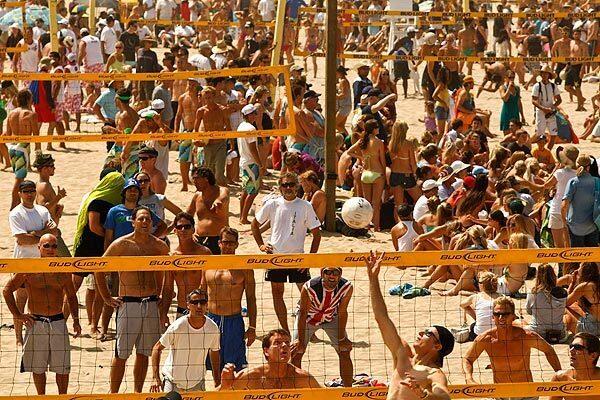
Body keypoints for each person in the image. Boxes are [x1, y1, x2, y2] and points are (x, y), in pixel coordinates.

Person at [95, 206, 171, 393]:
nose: (145, 222)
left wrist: (161, 299)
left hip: (151, 302)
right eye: (141, 219)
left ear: (152, 223)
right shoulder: (121, 244)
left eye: (148, 219)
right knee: (122, 353)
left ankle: (137, 393)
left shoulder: (159, 246)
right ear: (133, 221)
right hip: (129, 303)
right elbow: (99, 269)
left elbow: (163, 275)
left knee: (144, 353)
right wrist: (106, 297)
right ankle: (113, 394)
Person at [366, 251, 452, 400]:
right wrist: (373, 278)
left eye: (427, 333)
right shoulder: (402, 354)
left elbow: (444, 397)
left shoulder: (434, 373)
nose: (420, 333)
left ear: (437, 346)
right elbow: (381, 318)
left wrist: (424, 394)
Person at [2, 234, 81, 394]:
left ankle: (63, 397)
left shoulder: (63, 269)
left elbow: (72, 296)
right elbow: (7, 290)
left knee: (63, 367)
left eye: (53, 246)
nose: (51, 249)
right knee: (38, 367)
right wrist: (18, 315)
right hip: (35, 322)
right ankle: (41, 397)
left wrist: (76, 320)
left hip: (58, 321)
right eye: (46, 246)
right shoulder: (30, 268)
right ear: (39, 247)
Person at [251, 172, 321, 333]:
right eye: (285, 185)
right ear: (280, 187)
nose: (288, 188)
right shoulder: (273, 204)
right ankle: (286, 330)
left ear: (297, 186)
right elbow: (254, 225)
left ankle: (305, 326)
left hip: (298, 258)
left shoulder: (305, 206)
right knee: (277, 294)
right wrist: (261, 245)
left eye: (291, 184)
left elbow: (317, 234)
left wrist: (309, 259)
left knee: (307, 295)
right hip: (276, 257)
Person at [464, 296, 561, 392]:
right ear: (493, 317)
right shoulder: (486, 339)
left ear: (513, 316)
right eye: (497, 314)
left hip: (526, 393)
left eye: (505, 314)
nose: (501, 318)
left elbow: (549, 350)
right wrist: (469, 379)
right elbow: (468, 359)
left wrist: (559, 374)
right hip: (500, 394)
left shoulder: (526, 337)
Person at [71, 171, 125, 338]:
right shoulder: (95, 201)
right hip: (87, 247)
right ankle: (68, 320)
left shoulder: (116, 203)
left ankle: (94, 326)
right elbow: (94, 226)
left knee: (99, 289)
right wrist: (112, 237)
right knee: (72, 289)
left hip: (102, 249)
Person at [202, 227, 257, 372]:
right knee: (210, 364)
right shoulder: (208, 264)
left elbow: (251, 298)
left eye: (231, 243)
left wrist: (252, 327)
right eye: (225, 242)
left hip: (233, 320)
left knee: (234, 366)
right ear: (219, 243)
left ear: (237, 244)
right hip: (211, 319)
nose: (228, 246)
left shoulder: (244, 268)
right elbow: (201, 294)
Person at [292, 267, 353, 386]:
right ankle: (296, 390)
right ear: (321, 274)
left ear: (340, 274)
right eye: (328, 272)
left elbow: (342, 312)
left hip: (331, 318)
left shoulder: (346, 287)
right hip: (308, 319)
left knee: (344, 350)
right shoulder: (309, 287)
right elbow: (303, 314)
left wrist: (342, 339)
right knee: (296, 352)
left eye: (335, 272)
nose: (331, 275)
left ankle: (348, 391)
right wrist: (300, 340)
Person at [151, 289, 221, 393]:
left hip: (197, 382)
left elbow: (214, 352)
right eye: (194, 302)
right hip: (172, 380)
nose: (198, 306)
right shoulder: (178, 326)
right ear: (188, 305)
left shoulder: (213, 328)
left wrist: (217, 381)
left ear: (207, 305)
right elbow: (157, 348)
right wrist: (155, 378)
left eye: (202, 302)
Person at [219, 329, 320, 389]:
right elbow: (216, 396)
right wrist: (224, 387)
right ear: (266, 351)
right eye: (277, 343)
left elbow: (327, 395)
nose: (284, 345)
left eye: (287, 342)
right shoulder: (252, 376)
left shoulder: (302, 377)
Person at [167, 212, 211, 319]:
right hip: (181, 309)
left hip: (201, 310)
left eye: (187, 226)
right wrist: (164, 314)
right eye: (179, 227)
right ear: (175, 230)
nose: (183, 230)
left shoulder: (204, 253)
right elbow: (167, 289)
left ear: (193, 229)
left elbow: (210, 285)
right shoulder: (172, 257)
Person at [7, 89, 39, 210]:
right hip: (23, 147)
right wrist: (38, 152)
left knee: (19, 177)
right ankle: (13, 207)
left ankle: (16, 205)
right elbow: (36, 134)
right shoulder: (31, 114)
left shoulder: (12, 113)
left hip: (12, 146)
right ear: (28, 99)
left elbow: (8, 134)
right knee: (19, 179)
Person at [186, 167, 230, 255]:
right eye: (193, 178)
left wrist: (218, 200)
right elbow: (188, 215)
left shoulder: (221, 190)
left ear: (206, 178)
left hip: (218, 238)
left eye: (196, 178)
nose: (194, 181)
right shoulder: (197, 196)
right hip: (199, 239)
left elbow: (224, 196)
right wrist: (191, 233)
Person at [33, 153, 69, 256]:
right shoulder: (44, 186)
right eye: (52, 166)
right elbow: (42, 207)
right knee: (68, 262)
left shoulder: (43, 184)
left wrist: (57, 208)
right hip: (50, 234)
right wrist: (58, 197)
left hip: (51, 230)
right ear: (44, 168)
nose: (54, 168)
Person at [562, 153, 599, 247]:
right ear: (588, 167)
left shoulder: (573, 182)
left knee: (575, 257)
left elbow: (564, 205)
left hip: (575, 226)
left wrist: (564, 221)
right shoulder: (597, 181)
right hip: (593, 225)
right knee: (592, 258)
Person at [237, 103, 266, 224]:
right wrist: (260, 164)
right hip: (250, 162)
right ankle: (243, 218)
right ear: (248, 115)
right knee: (253, 191)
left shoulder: (241, 126)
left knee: (245, 190)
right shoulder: (251, 129)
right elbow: (253, 148)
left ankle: (241, 217)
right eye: (254, 113)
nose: (256, 115)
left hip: (243, 161)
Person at [550, 333, 600, 400]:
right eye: (571, 346)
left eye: (577, 347)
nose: (571, 351)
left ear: (593, 355)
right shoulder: (560, 378)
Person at [526, 264, 567, 341]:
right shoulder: (563, 292)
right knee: (567, 317)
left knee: (518, 321)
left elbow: (529, 312)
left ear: (538, 277)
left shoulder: (533, 293)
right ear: (554, 275)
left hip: (537, 333)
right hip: (559, 334)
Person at [460, 272, 499, 342]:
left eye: (478, 282)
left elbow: (462, 305)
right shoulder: (503, 297)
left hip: (478, 334)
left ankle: (468, 326)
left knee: (468, 306)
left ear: (482, 285)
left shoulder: (476, 297)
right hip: (499, 333)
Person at [565, 262, 600, 336]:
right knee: (575, 304)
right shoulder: (596, 283)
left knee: (563, 307)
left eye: (579, 267)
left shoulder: (584, 286)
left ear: (584, 270)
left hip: (592, 329)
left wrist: (573, 282)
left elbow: (565, 302)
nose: (577, 270)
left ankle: (561, 332)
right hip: (596, 323)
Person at [532, 65, 562, 149]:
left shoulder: (553, 86)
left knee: (553, 135)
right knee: (539, 135)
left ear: (549, 75)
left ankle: (547, 152)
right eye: (543, 73)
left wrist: (552, 107)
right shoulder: (537, 86)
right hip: (541, 113)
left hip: (550, 112)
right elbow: (534, 101)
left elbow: (559, 99)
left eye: (546, 73)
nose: (545, 75)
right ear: (541, 74)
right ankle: (540, 151)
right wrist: (544, 109)